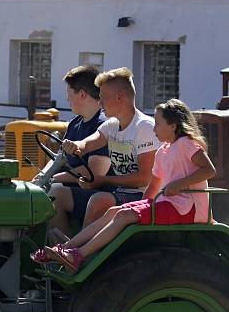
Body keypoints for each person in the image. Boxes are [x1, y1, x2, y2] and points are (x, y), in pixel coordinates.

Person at [37, 98, 216, 273]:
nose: (154, 129)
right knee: (114, 211)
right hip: (170, 205)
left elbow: (209, 170)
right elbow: (153, 186)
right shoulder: (163, 152)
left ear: (173, 126)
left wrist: (179, 184)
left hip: (187, 209)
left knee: (124, 215)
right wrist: (143, 207)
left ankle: (78, 255)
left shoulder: (186, 144)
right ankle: (65, 248)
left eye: (158, 124)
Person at [67, 68, 160, 227]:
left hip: (146, 197)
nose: (100, 103)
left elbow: (145, 178)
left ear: (119, 97)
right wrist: (76, 146)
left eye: (103, 98)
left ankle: (78, 250)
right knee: (60, 195)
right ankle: (67, 245)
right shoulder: (111, 125)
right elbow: (90, 142)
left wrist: (103, 180)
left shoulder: (144, 127)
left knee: (99, 199)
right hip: (122, 193)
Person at [33, 65, 111, 236]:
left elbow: (94, 173)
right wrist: (42, 177)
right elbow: (59, 158)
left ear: (82, 94)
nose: (67, 100)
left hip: (98, 195)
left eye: (69, 95)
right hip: (75, 191)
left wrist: (52, 179)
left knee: (55, 194)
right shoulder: (75, 124)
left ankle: (67, 253)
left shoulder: (104, 126)